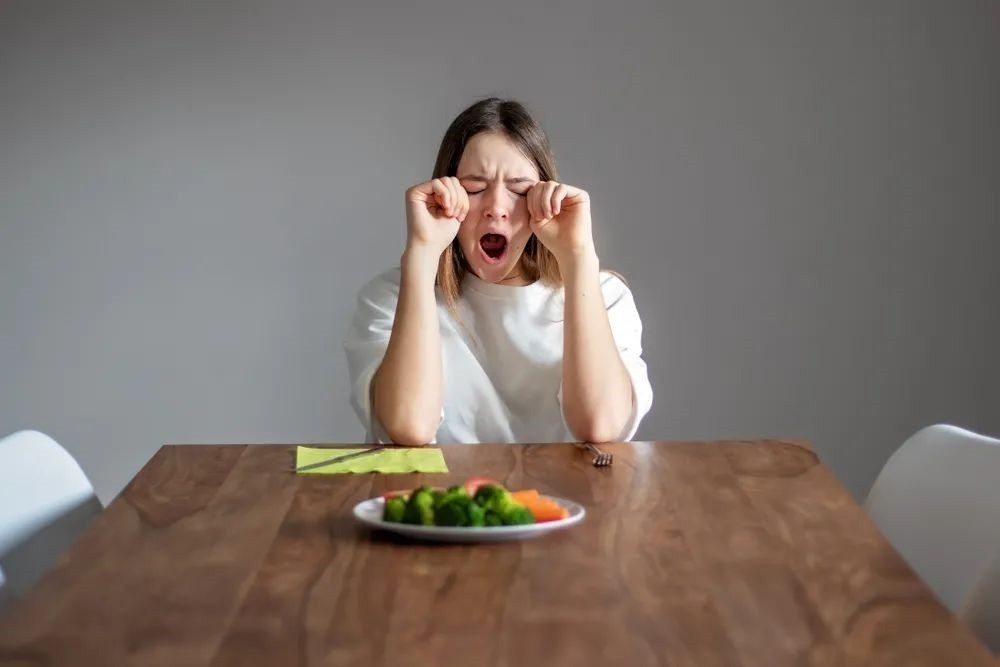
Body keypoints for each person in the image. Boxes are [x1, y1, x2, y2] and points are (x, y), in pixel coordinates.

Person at [344, 98, 652, 445]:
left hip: (560, 483)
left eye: (519, 190)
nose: (496, 208)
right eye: (475, 188)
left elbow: (601, 427)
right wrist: (422, 254)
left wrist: (578, 257)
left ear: (544, 198)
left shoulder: (606, 296)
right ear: (445, 192)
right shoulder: (390, 297)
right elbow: (408, 426)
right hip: (443, 482)